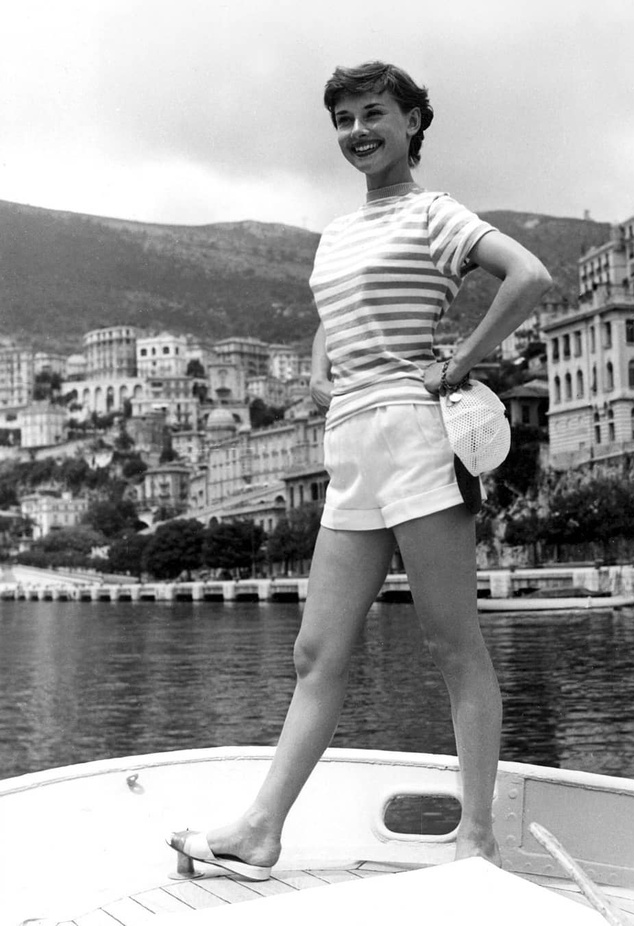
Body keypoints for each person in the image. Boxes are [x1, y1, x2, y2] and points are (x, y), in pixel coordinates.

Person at [169, 61, 551, 878]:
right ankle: (261, 831)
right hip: (349, 444)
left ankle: (477, 839)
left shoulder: (435, 214)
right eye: (342, 119)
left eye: (373, 113)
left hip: (416, 435)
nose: (356, 131)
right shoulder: (338, 234)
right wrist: (318, 370)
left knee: (453, 645)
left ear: (413, 122)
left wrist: (460, 362)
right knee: (316, 652)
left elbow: (531, 276)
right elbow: (335, 313)